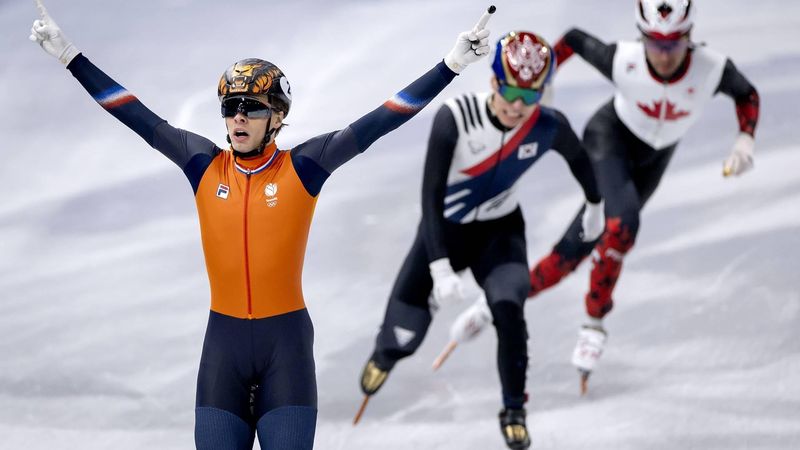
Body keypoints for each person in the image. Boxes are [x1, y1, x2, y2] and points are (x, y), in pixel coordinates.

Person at [29, 0, 495, 448]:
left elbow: (384, 118)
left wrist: (449, 66)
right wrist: (70, 56)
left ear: (277, 115)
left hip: (285, 349)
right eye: (230, 108)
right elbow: (131, 110)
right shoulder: (202, 164)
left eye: (250, 107)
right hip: (223, 351)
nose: (237, 118)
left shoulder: (306, 166)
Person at [442, 0, 760, 394]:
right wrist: (546, 82)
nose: (662, 55)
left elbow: (748, 95)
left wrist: (745, 140)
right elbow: (573, 39)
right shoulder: (623, 59)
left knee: (573, 252)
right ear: (640, 37)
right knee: (623, 223)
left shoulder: (713, 67)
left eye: (673, 45)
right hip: (608, 139)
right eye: (654, 44)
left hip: (651, 161)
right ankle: (594, 321)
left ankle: (493, 304)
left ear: (690, 38)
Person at [356, 31, 604, 449]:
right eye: (509, 91)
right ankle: (385, 355)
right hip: (444, 231)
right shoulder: (455, 116)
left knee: (511, 313)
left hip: (499, 232)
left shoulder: (548, 125)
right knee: (404, 338)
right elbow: (430, 196)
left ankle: (513, 410)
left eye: (530, 96)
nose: (517, 106)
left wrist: (595, 205)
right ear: (493, 82)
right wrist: (437, 264)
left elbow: (581, 161)